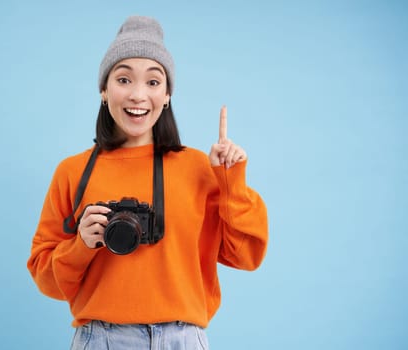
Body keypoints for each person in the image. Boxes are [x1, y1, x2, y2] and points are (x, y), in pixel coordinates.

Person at [27, 15, 268, 350]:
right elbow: (47, 281)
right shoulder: (73, 172)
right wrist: (82, 245)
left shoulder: (199, 168)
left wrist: (231, 182)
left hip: (182, 339)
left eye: (153, 83)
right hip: (101, 339)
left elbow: (247, 256)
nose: (138, 95)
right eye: (123, 79)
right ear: (103, 89)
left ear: (167, 94)